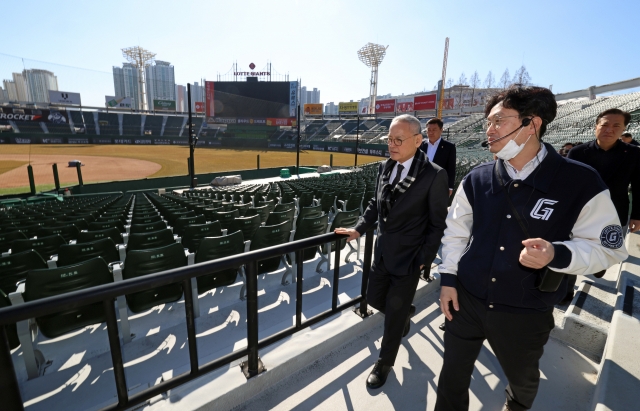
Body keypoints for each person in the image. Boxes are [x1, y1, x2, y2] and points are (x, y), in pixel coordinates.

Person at [436, 86, 627, 411]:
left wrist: (557, 254)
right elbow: (455, 233)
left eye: (498, 121)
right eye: (488, 122)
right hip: (466, 301)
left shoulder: (581, 181)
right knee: (451, 379)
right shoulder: (476, 179)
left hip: (526, 309)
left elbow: (610, 250)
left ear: (532, 124)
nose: (489, 129)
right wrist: (448, 278)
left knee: (522, 382)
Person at [335, 114, 449, 389]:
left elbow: (437, 223)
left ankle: (384, 363)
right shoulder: (386, 166)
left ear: (418, 141)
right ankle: (403, 316)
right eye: (389, 139)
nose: (392, 145)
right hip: (383, 252)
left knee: (393, 320)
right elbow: (375, 206)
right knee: (374, 298)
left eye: (398, 140)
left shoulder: (434, 175)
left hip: (410, 259)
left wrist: (425, 259)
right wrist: (359, 229)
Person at [420, 118, 457, 197]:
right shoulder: (421, 145)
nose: (431, 132)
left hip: (439, 184)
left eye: (434, 130)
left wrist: (450, 187)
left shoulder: (449, 147)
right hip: (421, 184)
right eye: (429, 130)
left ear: (441, 130)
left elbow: (451, 168)